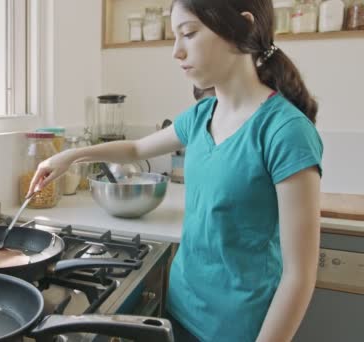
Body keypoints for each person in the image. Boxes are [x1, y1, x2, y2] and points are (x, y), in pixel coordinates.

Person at [27, 0, 323, 341]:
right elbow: (136, 148)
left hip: (240, 327)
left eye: (189, 33)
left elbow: (299, 275)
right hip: (180, 309)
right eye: (174, 36)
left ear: (243, 29)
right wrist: (68, 157)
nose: (176, 52)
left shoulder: (285, 131)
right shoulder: (202, 115)